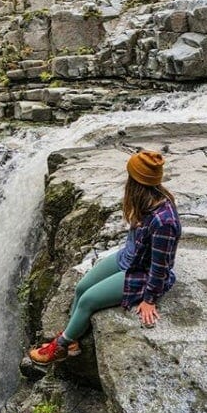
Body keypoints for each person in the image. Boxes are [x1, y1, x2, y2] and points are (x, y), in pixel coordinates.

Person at [29, 150, 181, 365]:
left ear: (136, 181)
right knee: (82, 287)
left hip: (142, 273)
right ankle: (73, 337)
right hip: (128, 258)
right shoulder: (146, 202)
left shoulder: (164, 221)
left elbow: (160, 266)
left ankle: (62, 345)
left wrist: (149, 299)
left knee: (88, 300)